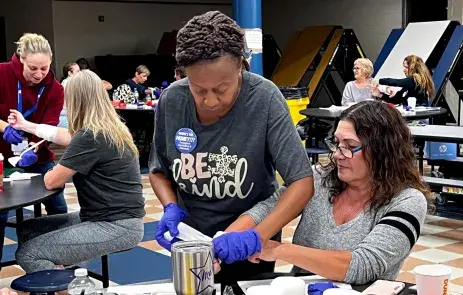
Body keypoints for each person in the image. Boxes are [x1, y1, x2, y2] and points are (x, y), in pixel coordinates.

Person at [149, 10, 314, 286]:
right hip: (193, 242)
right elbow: (158, 170)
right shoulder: (172, 101)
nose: (210, 100)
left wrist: (258, 236)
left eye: (221, 88)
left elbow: (301, 182)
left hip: (250, 243)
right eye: (198, 89)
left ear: (240, 66)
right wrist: (170, 206)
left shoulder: (264, 98)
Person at [245, 101, 430, 285]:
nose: (337, 155)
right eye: (336, 143)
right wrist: (226, 240)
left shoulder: (407, 201)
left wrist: (280, 250)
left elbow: (363, 266)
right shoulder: (319, 178)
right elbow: (268, 208)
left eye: (350, 146)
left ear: (382, 150)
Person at [9, 69, 145, 273]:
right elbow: (63, 135)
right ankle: (56, 272)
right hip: (110, 218)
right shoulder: (109, 128)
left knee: (29, 253)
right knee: (28, 229)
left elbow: (51, 182)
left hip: (115, 225)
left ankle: (61, 284)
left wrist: (47, 168)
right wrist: (26, 125)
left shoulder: (91, 136)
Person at [0, 33, 68, 271]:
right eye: (33, 68)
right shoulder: (2, 73)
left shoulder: (55, 89)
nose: (39, 74)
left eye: (44, 68)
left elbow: (50, 128)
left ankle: (59, 261)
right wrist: (5, 128)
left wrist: (33, 147)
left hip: (37, 155)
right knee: (0, 211)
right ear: (20, 58)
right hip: (2, 157)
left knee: (58, 206)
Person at [59, 62, 80, 128]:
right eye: (78, 71)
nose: (80, 73)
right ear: (70, 73)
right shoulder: (70, 83)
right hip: (66, 118)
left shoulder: (65, 82)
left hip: (65, 116)